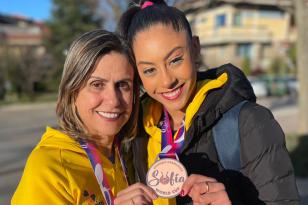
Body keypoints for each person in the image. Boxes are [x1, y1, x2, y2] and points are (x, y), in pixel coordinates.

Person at [118, 1, 299, 204]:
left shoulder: (249, 122)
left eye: (175, 60)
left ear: (195, 48)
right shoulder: (135, 134)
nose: (167, 80)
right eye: (149, 70)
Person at [12, 30, 157, 205]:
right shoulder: (48, 166)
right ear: (72, 92)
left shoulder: (131, 153)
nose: (113, 100)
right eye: (97, 84)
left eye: (122, 85)